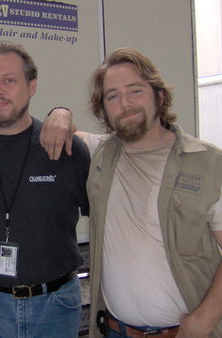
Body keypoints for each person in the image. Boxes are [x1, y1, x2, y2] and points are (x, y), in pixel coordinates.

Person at [41, 47, 222, 337]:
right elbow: (64, 132)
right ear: (103, 110)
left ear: (159, 96)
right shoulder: (100, 153)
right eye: (112, 96)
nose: (125, 104)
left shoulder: (209, 163)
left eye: (135, 91)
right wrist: (60, 112)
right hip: (116, 330)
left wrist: (204, 319)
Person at [0, 40, 90, 337]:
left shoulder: (68, 150)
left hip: (56, 307)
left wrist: (62, 111)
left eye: (9, 80)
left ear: (32, 86)